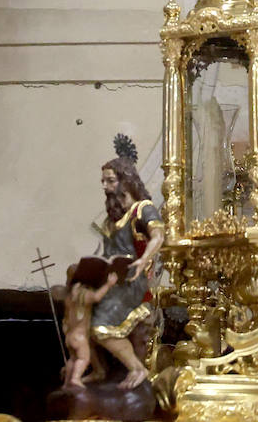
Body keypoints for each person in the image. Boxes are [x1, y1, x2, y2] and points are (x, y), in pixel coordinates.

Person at [89, 141, 164, 390]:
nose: (105, 186)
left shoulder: (142, 209)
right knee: (83, 312)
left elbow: (158, 236)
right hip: (116, 284)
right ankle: (99, 370)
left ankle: (137, 368)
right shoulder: (116, 219)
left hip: (134, 285)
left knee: (101, 328)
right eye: (103, 181)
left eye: (110, 180)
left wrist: (145, 259)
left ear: (125, 179)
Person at [62, 261, 120, 390]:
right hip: (80, 336)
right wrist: (109, 285)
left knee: (72, 359)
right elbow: (96, 297)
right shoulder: (83, 294)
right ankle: (75, 379)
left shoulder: (69, 295)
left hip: (70, 336)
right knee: (83, 359)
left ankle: (67, 383)